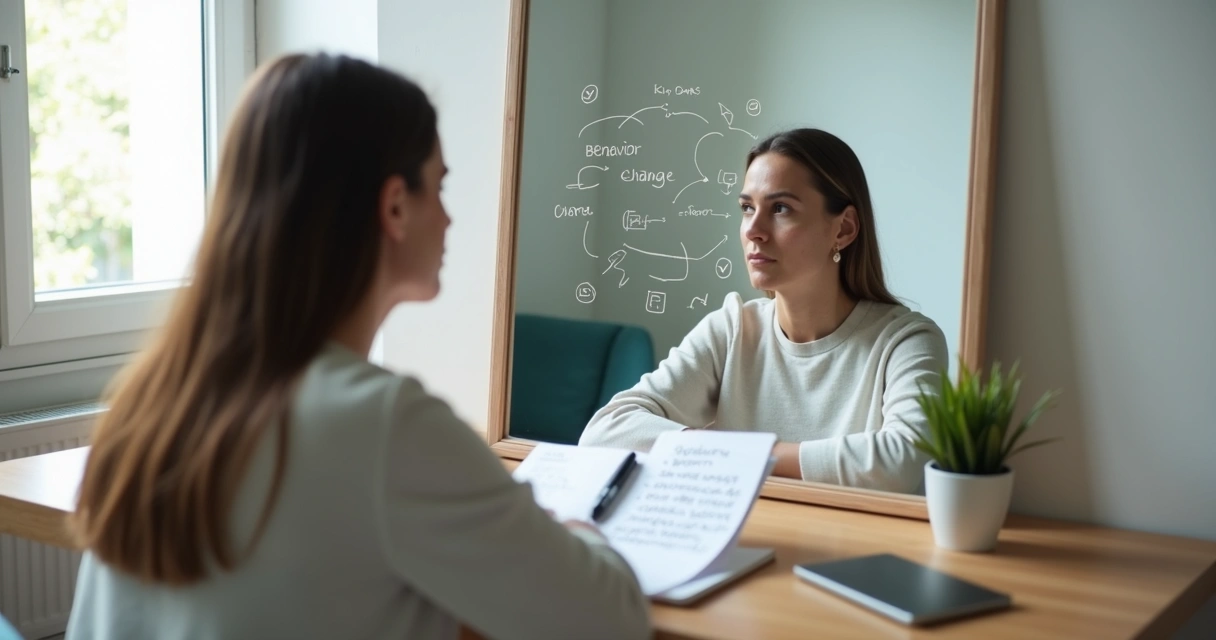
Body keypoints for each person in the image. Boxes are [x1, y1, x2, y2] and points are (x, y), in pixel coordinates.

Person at [66, 53, 650, 640]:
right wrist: (577, 534)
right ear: (394, 205)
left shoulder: (151, 402)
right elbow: (610, 620)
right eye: (439, 187)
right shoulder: (386, 424)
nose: (449, 218)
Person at [579, 128, 947, 494]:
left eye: (781, 209)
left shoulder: (907, 341)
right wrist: (736, 454)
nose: (753, 230)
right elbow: (605, 431)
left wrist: (743, 456)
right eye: (747, 208)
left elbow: (902, 461)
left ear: (844, 229)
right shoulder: (732, 328)